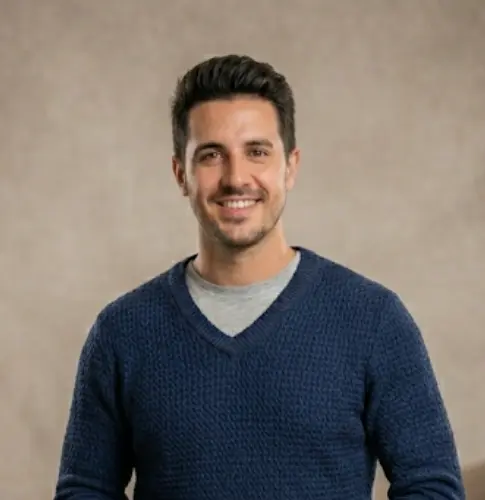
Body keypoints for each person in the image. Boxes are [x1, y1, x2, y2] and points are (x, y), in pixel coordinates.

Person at [53, 54, 465, 500]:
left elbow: (432, 487)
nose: (236, 178)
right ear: (180, 174)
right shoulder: (122, 331)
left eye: (257, 152)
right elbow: (84, 491)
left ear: (290, 166)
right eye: (211, 155)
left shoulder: (373, 319)